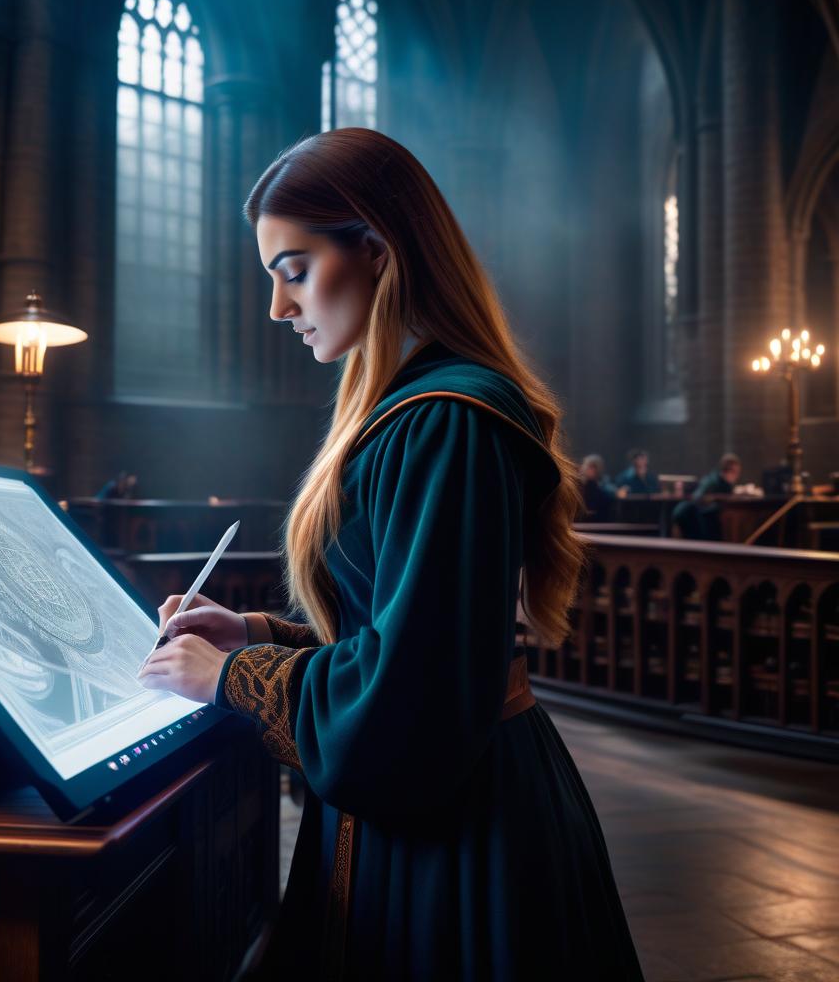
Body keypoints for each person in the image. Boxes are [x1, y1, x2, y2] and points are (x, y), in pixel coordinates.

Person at [137, 128, 644, 980]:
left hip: (460, 836)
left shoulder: (445, 420)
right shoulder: (414, 410)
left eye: (294, 269)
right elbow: (401, 632)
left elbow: (413, 699)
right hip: (445, 805)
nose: (279, 308)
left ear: (374, 249)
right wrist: (253, 629)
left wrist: (232, 677)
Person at [672, 453, 742, 541]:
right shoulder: (712, 481)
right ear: (727, 471)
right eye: (736, 472)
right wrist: (715, 499)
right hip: (697, 518)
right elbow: (697, 497)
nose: (737, 476)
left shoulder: (726, 484)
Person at [578, 453, 617, 521]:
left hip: (599, 520)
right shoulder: (579, 483)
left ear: (594, 468)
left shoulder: (603, 484)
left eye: (586, 465)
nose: (582, 467)